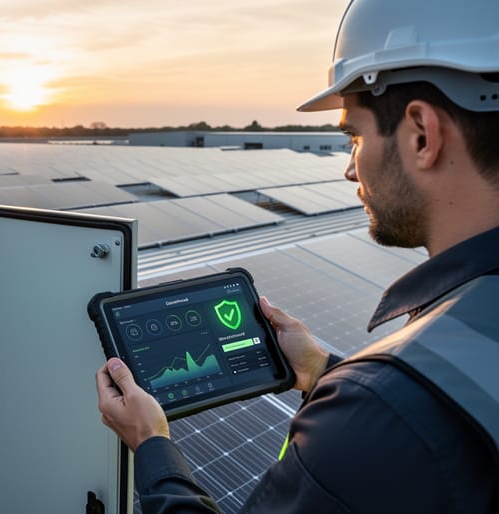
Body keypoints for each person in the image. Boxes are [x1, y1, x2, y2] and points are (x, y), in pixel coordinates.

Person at [96, 0, 499, 512]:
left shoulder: (378, 416)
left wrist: (152, 447)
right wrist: (323, 371)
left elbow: (395, 426)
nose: (351, 171)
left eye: (354, 136)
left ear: (422, 134)